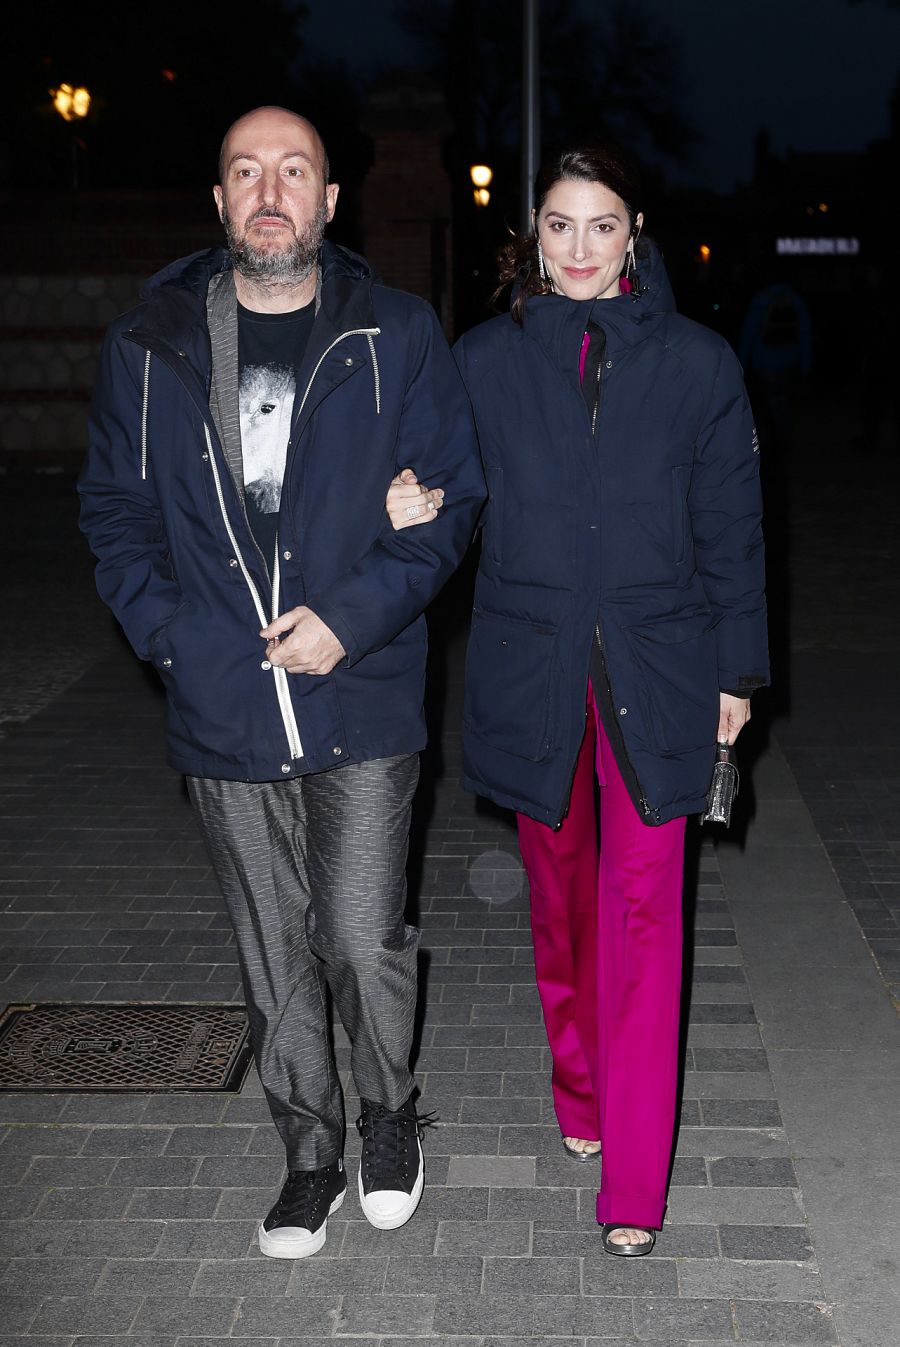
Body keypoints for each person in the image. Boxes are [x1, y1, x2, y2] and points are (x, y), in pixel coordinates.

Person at [78, 105, 485, 1260]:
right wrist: (174, 639)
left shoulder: (395, 333)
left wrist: (351, 622)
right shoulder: (147, 345)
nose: (269, 191)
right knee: (274, 948)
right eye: (245, 172)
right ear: (218, 203)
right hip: (220, 698)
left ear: (328, 200)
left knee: (359, 936)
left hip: (359, 692)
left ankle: (389, 1111)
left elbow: (450, 498)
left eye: (293, 170)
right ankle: (310, 1153)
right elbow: (111, 513)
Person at [388, 144, 768, 1255]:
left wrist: (735, 673)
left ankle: (634, 1189)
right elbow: (449, 487)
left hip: (663, 665)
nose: (583, 248)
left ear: (635, 230)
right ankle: (581, 1092)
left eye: (604, 226)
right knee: (560, 904)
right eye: (562, 225)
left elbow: (733, 531)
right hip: (532, 665)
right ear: (534, 236)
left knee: (646, 913)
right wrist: (415, 500)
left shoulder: (698, 365)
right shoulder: (483, 361)